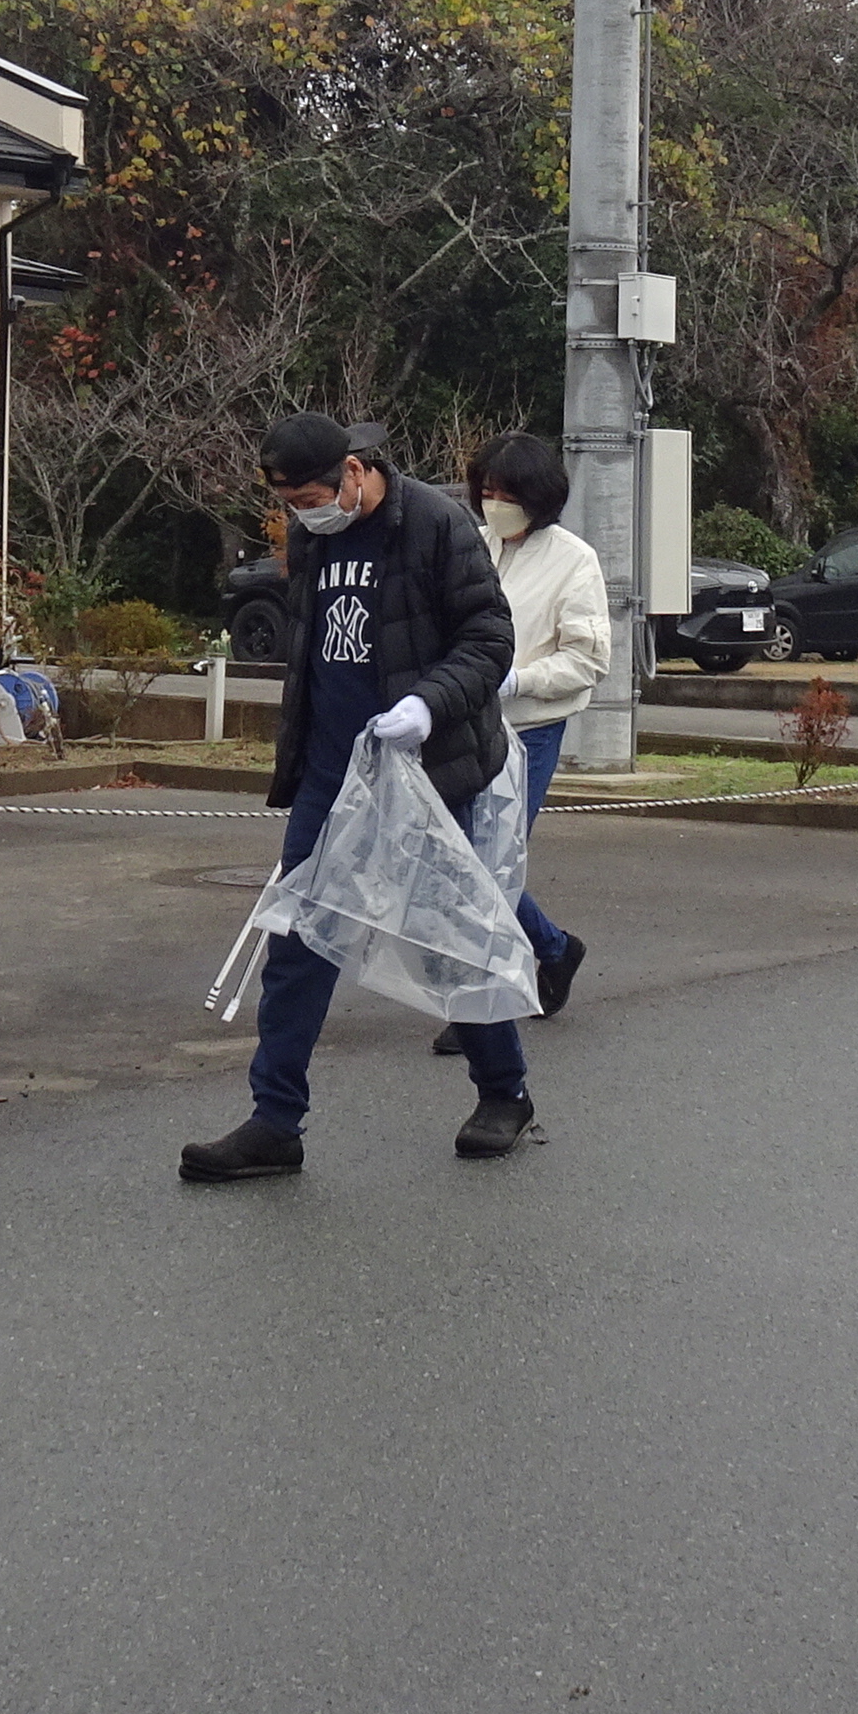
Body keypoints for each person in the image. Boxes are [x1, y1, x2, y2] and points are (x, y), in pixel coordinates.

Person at [187, 410, 535, 1182]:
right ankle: (275, 1121)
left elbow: (490, 640)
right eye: (289, 501)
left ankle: (504, 1093)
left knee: (451, 937)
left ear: (354, 470)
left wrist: (427, 705)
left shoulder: (436, 525)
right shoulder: (314, 535)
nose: (303, 511)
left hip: (430, 768)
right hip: (331, 773)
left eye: (312, 494)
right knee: (298, 942)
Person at [427, 430, 604, 1056]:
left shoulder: (574, 560)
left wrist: (517, 679)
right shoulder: (469, 544)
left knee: (488, 864)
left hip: (530, 728)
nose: (494, 503)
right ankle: (552, 949)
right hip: (461, 724)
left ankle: (478, 1007)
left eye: (507, 493)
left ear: (539, 496)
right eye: (487, 491)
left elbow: (587, 661)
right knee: (456, 860)